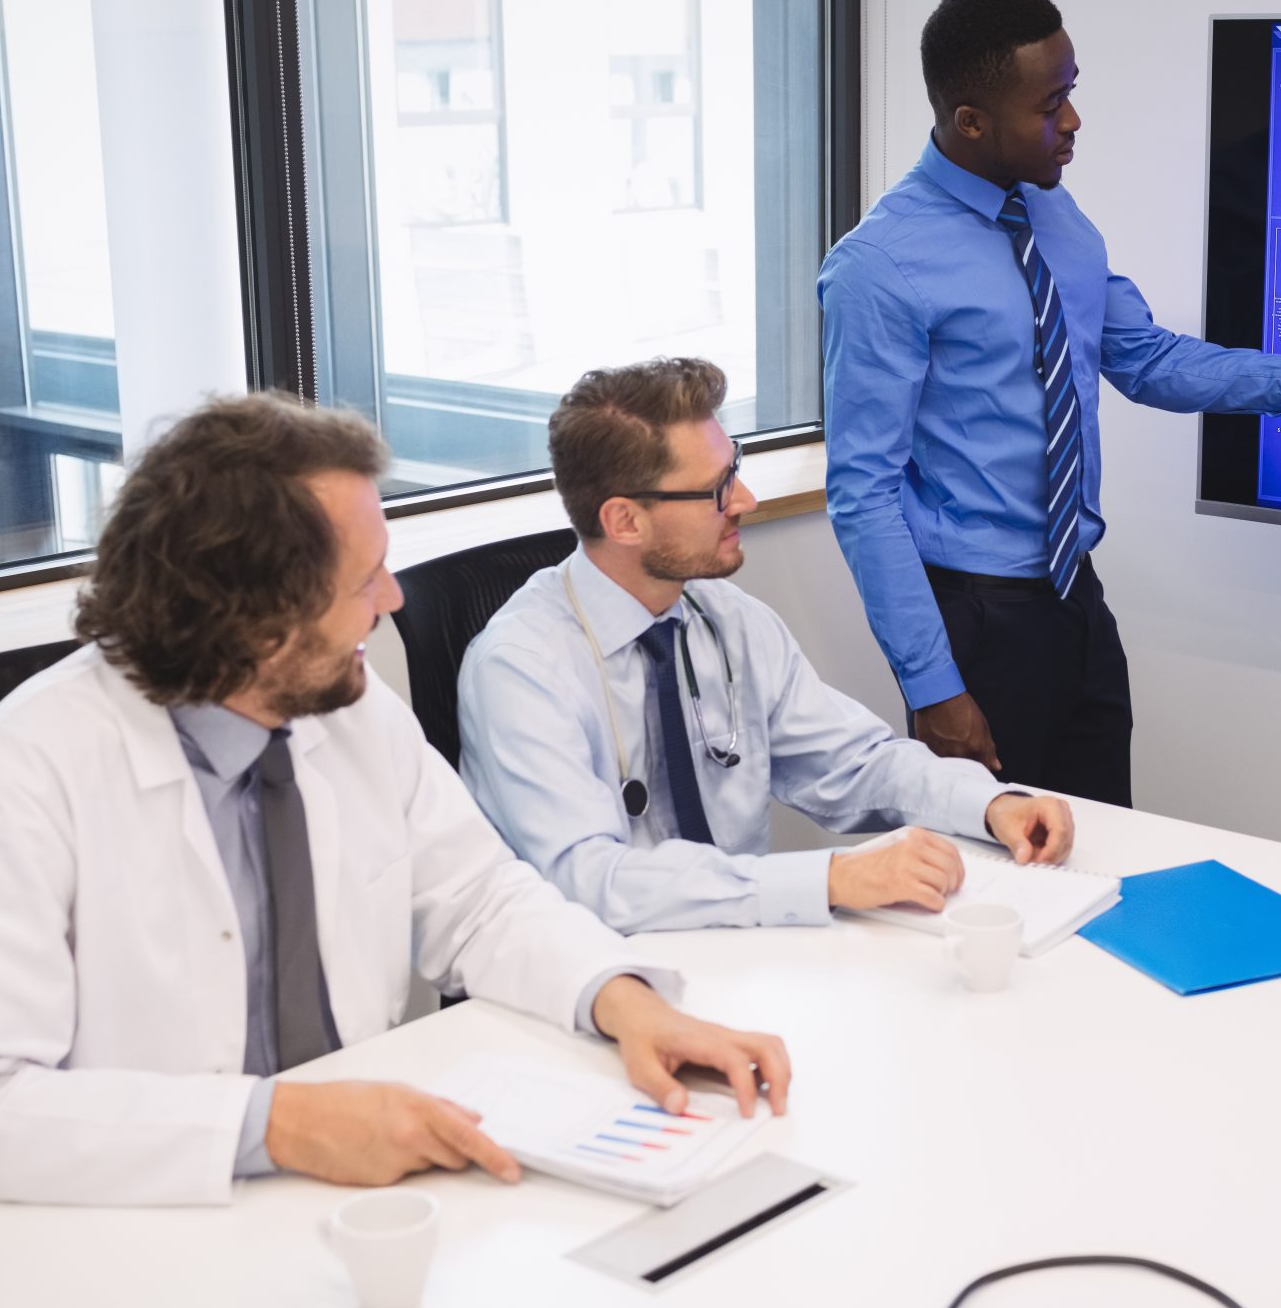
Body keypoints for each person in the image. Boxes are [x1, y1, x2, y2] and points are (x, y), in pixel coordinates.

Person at [0, 392, 789, 1209]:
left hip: (364, 1199)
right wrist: (276, 1123)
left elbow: (480, 901)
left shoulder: (347, 712)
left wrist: (626, 1002)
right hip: (142, 1225)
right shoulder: (27, 774)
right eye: (363, 582)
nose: (392, 602)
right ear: (249, 619)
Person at [819, 0, 1281, 806]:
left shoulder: (1055, 216)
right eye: (1051, 104)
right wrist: (932, 686)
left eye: (1073, 92)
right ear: (972, 120)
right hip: (973, 620)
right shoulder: (879, 267)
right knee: (984, 882)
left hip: (1075, 602)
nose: (1074, 122)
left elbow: (1148, 359)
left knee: (1101, 856)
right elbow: (862, 494)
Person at [456, 358, 1076, 934]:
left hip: (743, 957)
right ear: (624, 521)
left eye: (739, 469)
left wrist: (991, 803)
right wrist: (830, 878)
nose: (745, 502)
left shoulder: (727, 620)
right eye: (717, 488)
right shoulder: (520, 668)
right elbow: (588, 883)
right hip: (591, 990)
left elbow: (857, 764)